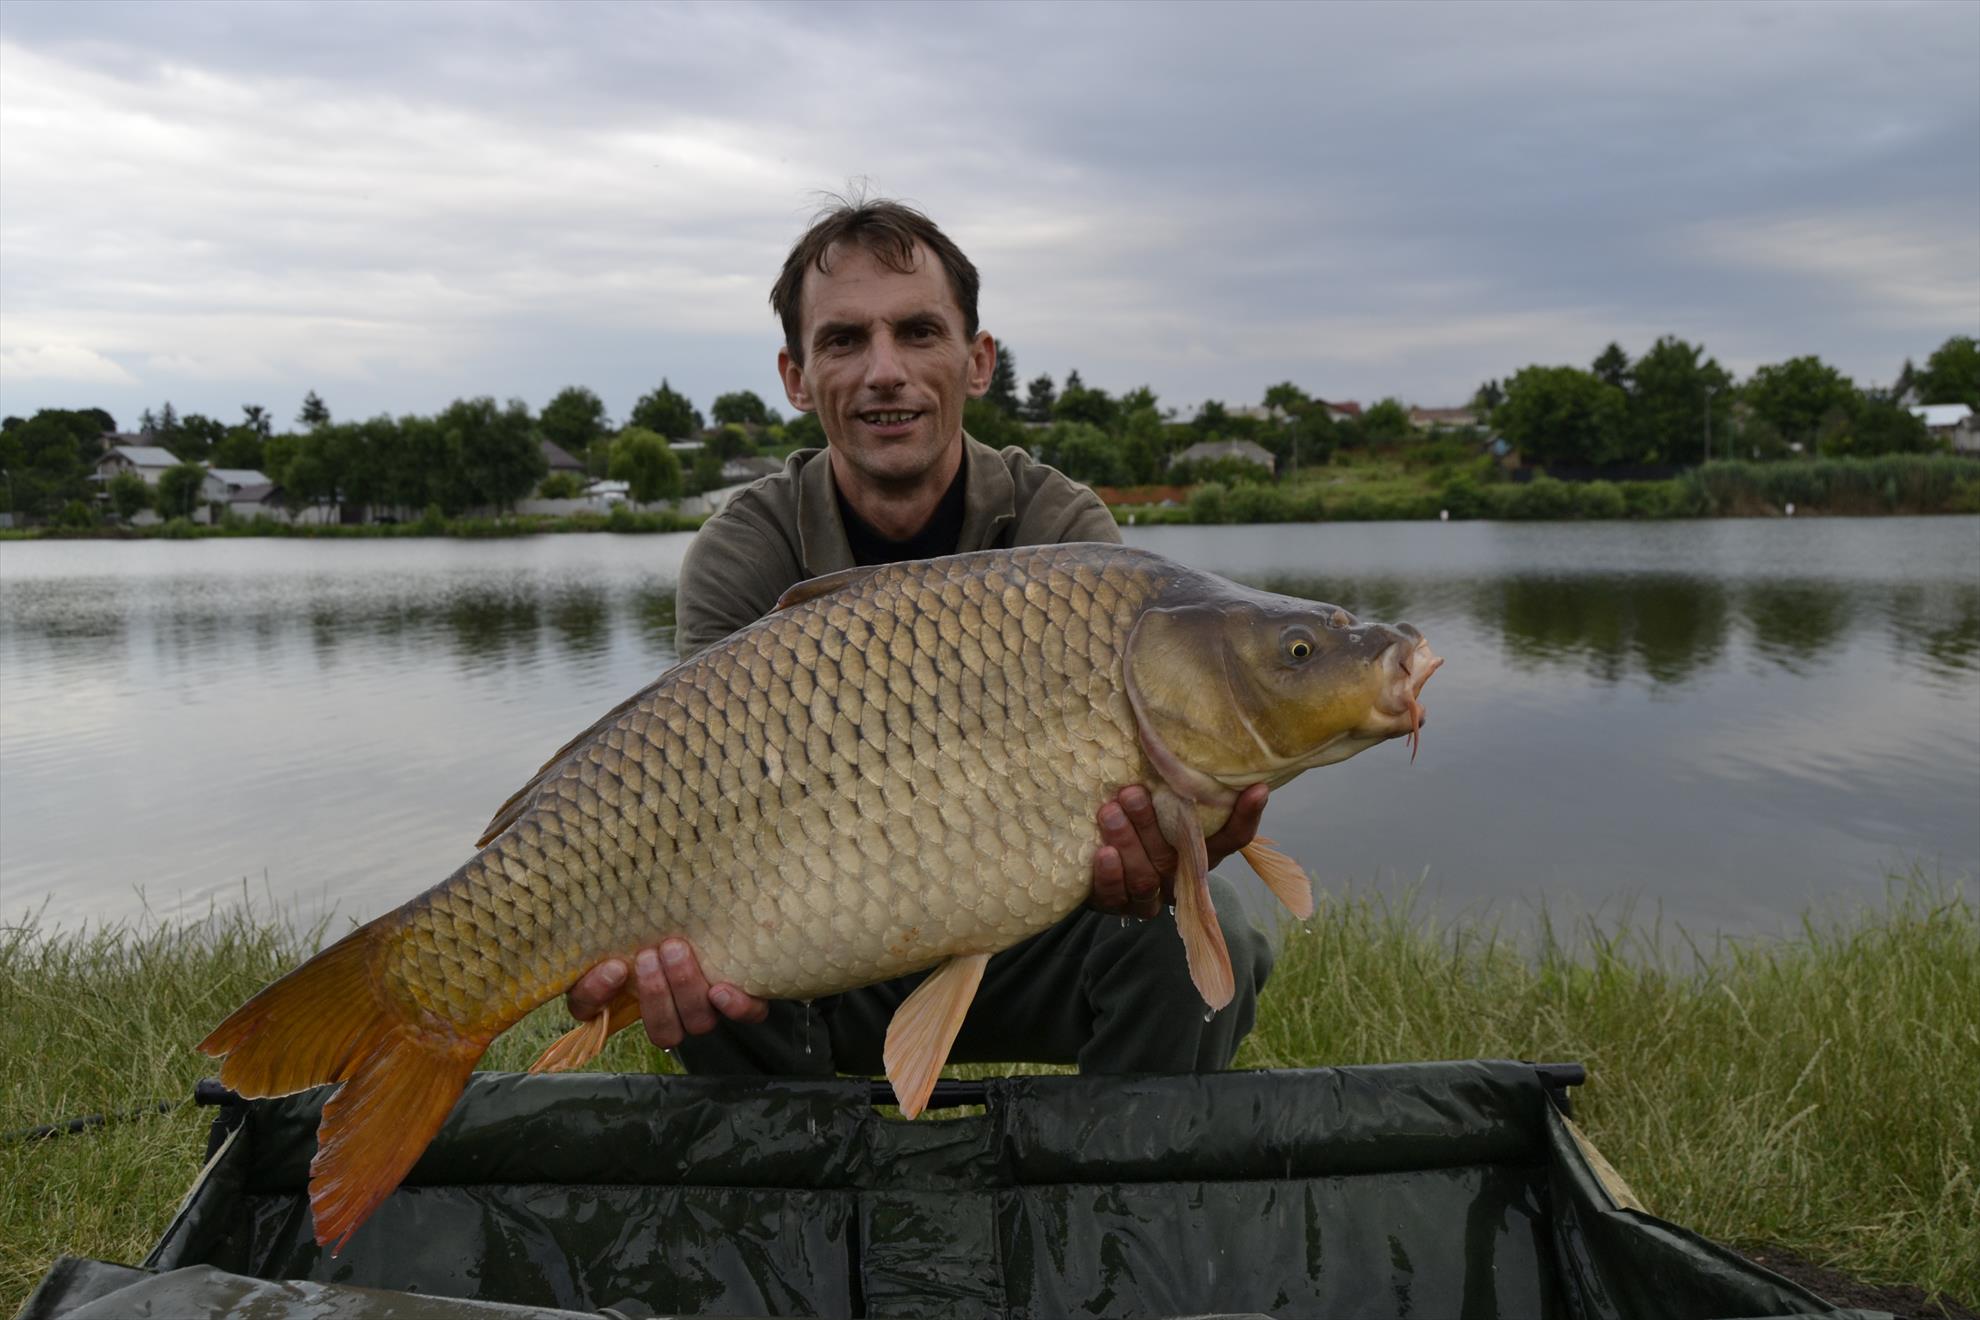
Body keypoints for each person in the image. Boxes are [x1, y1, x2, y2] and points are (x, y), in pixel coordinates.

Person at [564, 197, 1279, 1078]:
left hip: (1029, 936)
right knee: (701, 979)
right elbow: (699, 809)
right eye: (844, 341)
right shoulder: (742, 553)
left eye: (918, 332)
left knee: (1209, 937)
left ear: (976, 361)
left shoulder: (1066, 533)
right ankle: (804, 1205)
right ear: (795, 376)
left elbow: (1131, 810)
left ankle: (1110, 1202)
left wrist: (1153, 857)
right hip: (810, 954)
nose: (884, 371)